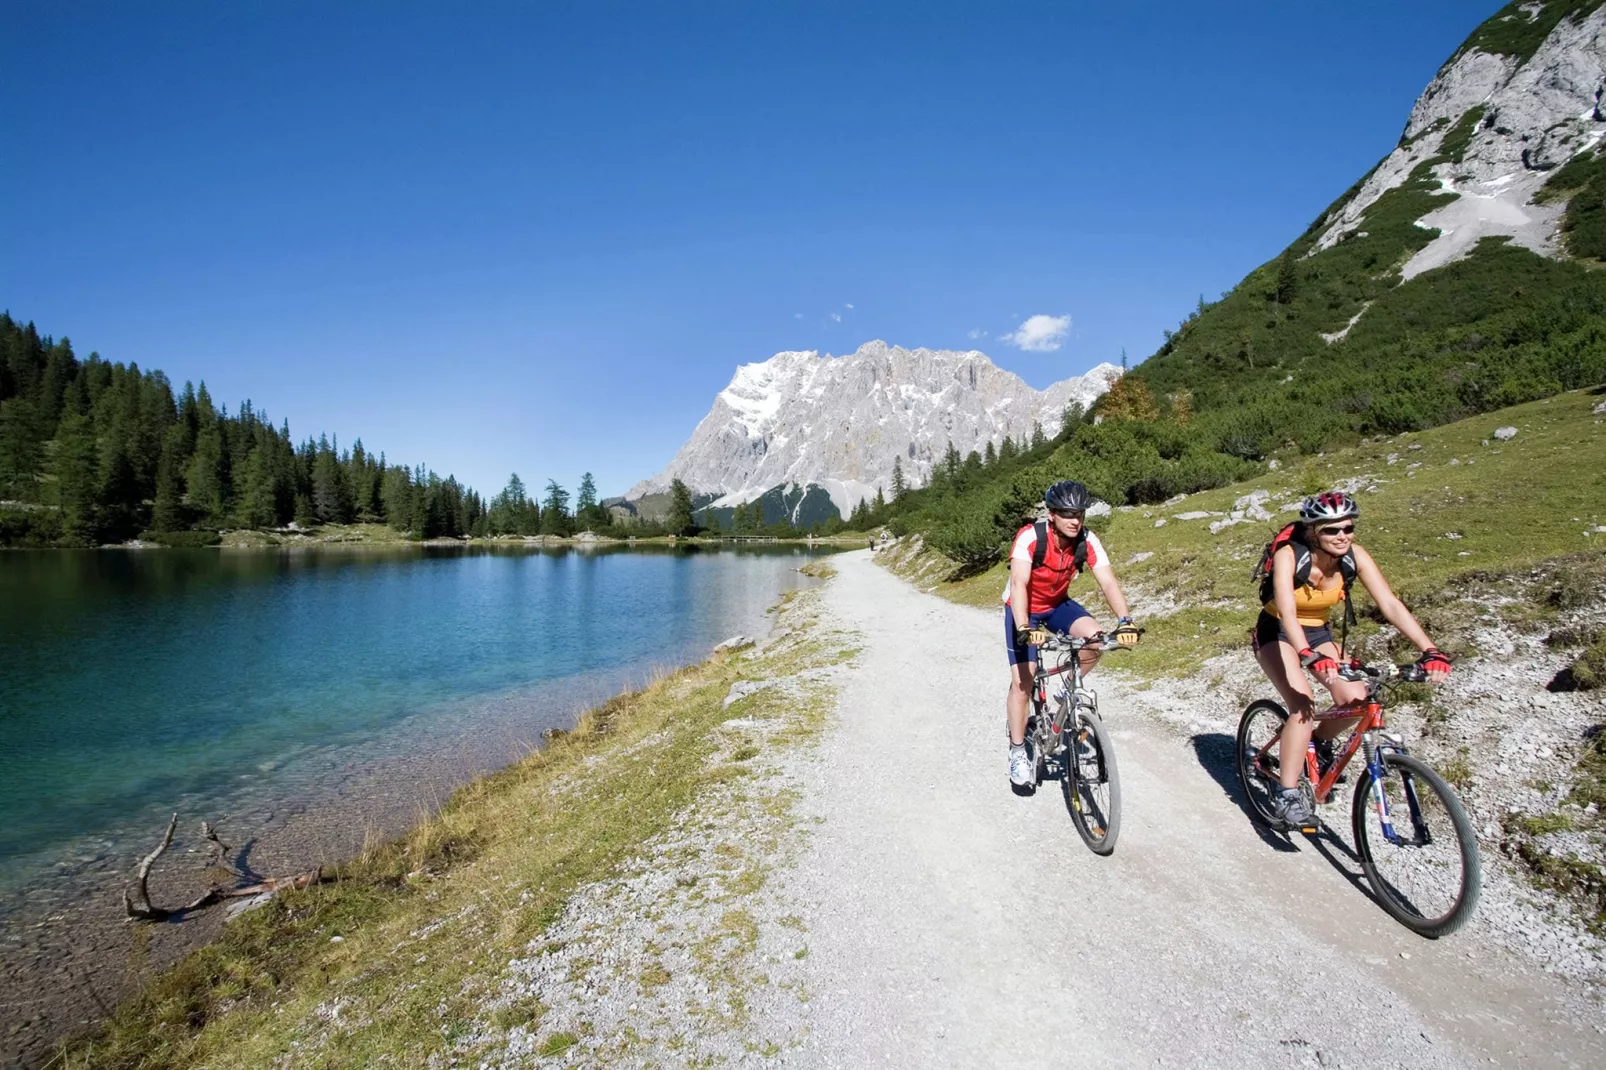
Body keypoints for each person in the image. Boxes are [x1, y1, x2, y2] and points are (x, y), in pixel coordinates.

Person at [1253, 490, 1452, 828]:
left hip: (1319, 633)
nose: (1342, 535)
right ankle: (1286, 795)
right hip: (1278, 633)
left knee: (1356, 698)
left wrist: (1429, 649)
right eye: (1332, 530)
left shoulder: (1355, 557)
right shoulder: (1290, 555)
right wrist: (1306, 655)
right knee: (1303, 704)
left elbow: (1389, 604)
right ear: (1314, 532)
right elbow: (1286, 610)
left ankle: (1317, 742)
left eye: (1348, 527)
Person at [1004, 480, 1140, 787]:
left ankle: (1067, 693)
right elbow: (1019, 585)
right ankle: (1017, 751)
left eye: (1079, 512)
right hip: (1023, 608)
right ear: (1052, 514)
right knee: (1022, 682)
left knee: (1095, 641)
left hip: (1057, 605)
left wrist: (1125, 620)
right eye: (1066, 513)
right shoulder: (1030, 537)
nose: (1074, 519)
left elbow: (1107, 582)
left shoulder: (1087, 540)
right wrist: (1025, 627)